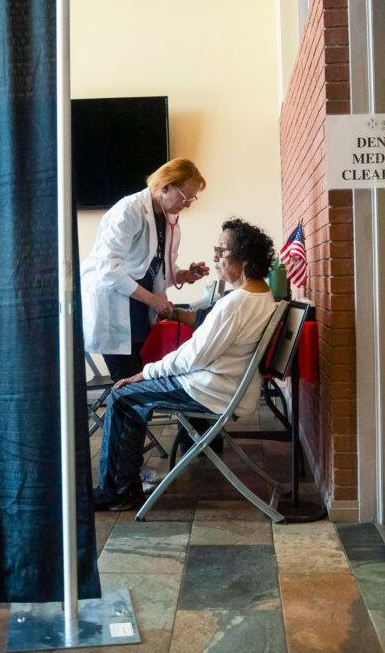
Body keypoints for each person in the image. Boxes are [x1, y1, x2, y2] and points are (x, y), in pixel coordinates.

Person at [93, 218, 278, 511]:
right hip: (221, 385)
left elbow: (193, 356)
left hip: (211, 389)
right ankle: (123, 485)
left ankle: (117, 493)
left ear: (244, 259)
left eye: (222, 251)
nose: (216, 257)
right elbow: (199, 351)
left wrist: (145, 372)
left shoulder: (236, 303)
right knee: (130, 394)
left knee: (122, 396)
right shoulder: (261, 294)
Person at [80, 158, 210, 383]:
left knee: (139, 380)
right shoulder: (129, 210)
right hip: (115, 306)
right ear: (166, 186)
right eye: (185, 197)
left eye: (192, 199)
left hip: (138, 310)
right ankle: (125, 419)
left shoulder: (168, 220)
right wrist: (152, 300)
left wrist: (183, 275)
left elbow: (155, 267)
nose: (188, 204)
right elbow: (108, 268)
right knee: (129, 383)